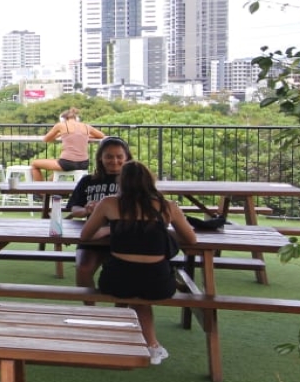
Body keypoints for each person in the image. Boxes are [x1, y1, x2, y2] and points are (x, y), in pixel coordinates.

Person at [81, 161, 198, 365]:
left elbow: (86, 235)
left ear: (121, 182)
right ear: (149, 181)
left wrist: (111, 229)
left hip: (116, 281)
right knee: (139, 291)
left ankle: (128, 340)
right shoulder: (167, 206)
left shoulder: (109, 203)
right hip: (158, 284)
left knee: (130, 286)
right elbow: (191, 240)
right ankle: (150, 345)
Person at [64, 136, 132, 291]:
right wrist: (86, 210)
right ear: (100, 158)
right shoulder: (88, 181)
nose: (114, 161)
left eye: (119, 156)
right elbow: (74, 208)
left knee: (125, 275)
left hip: (124, 236)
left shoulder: (133, 181)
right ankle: (90, 309)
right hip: (92, 234)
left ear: (126, 157)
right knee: (83, 269)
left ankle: (120, 312)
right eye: (109, 156)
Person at [31, 107, 105, 181]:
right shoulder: (86, 126)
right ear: (77, 118)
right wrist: (84, 136)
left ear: (63, 119)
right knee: (57, 172)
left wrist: (60, 134)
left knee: (34, 164)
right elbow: (101, 135)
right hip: (84, 163)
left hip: (67, 163)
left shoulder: (61, 125)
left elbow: (46, 139)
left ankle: (41, 192)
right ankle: (50, 190)